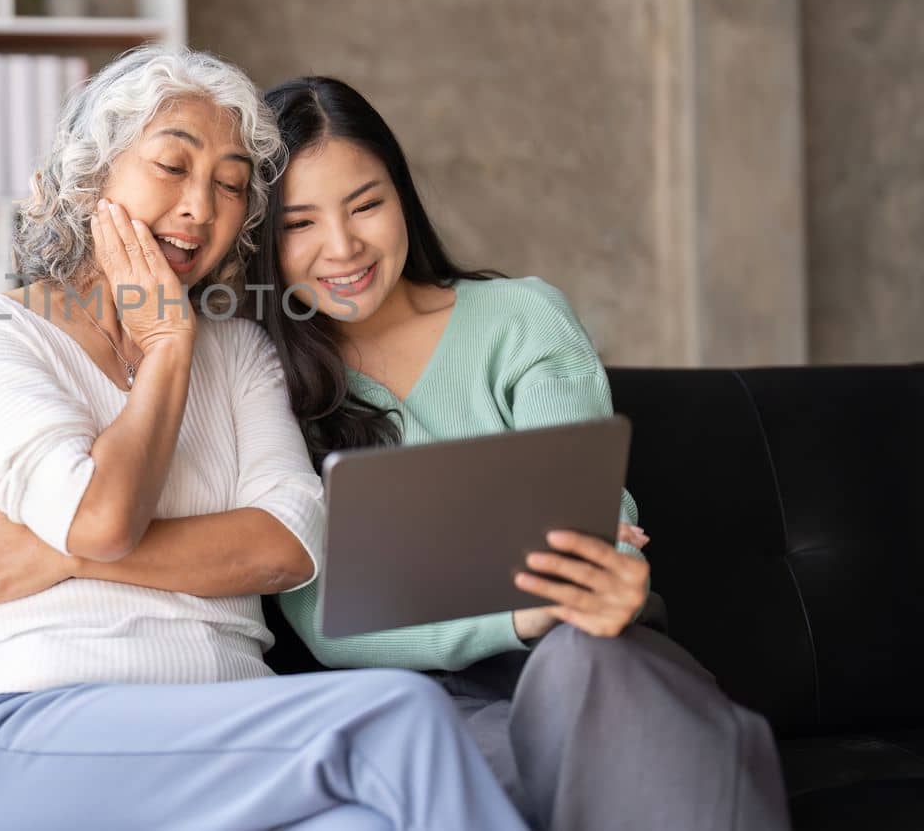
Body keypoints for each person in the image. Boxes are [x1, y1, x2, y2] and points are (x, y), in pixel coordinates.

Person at [0, 46, 526, 831]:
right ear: (90, 178)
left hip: (233, 749)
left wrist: (64, 554)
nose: (201, 207)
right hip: (40, 736)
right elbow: (101, 515)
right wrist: (168, 347)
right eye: (172, 166)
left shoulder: (239, 350)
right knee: (400, 717)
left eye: (232, 185)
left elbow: (289, 542)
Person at [248, 74, 791, 831]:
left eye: (366, 203)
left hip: (588, 647)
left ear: (402, 193)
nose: (342, 248)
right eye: (299, 223)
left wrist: (609, 574)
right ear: (264, 242)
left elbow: (590, 513)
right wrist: (515, 613)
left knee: (586, 668)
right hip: (425, 696)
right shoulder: (263, 381)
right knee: (468, 759)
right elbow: (331, 623)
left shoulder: (520, 318)